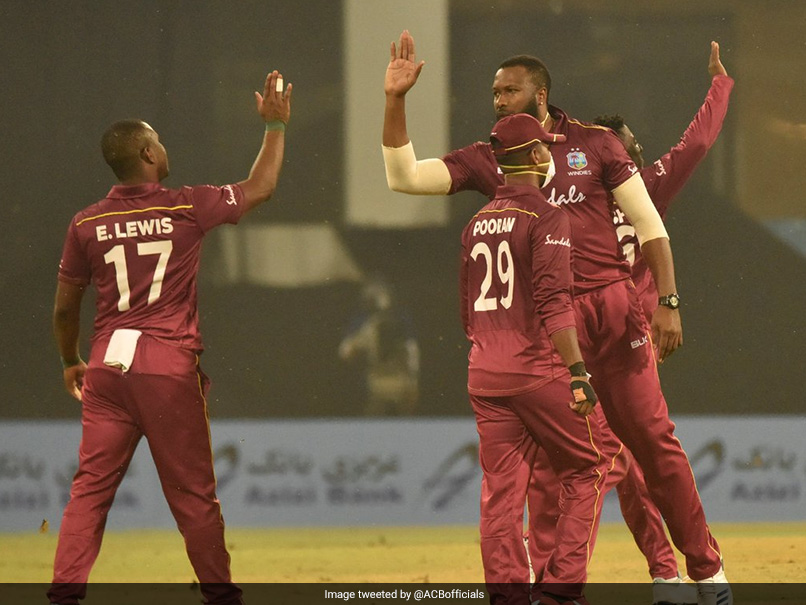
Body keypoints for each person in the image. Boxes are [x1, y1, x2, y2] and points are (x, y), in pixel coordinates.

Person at [382, 30, 731, 605]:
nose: (499, 100)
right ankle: (556, 587)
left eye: (510, 91)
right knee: (554, 469)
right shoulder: (493, 155)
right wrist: (394, 102)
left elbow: (649, 223)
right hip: (548, 324)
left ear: (541, 94)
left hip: (611, 312)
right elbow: (404, 178)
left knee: (653, 445)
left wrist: (668, 301)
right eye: (495, 92)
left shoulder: (595, 143)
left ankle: (708, 572)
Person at [48, 70, 292, 605]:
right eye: (157, 140)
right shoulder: (185, 206)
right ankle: (221, 597)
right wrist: (274, 127)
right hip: (165, 365)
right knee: (194, 498)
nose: (164, 146)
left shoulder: (86, 223)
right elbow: (261, 187)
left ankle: (63, 596)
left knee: (89, 493)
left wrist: (70, 360)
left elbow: (65, 307)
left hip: (107, 366)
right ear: (147, 153)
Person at [523, 41, 735, 603]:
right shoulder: (630, 183)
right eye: (627, 147)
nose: (635, 154)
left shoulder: (624, 186)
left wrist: (720, 86)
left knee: (624, 461)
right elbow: (696, 143)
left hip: (623, 335)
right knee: (624, 463)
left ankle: (671, 572)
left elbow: (695, 143)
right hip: (605, 333)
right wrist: (720, 88)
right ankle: (666, 573)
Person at [461, 112, 606, 605]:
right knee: (589, 467)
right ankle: (560, 591)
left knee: (500, 495)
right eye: (545, 146)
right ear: (534, 155)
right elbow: (554, 301)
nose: (550, 153)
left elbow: (466, 311)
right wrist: (578, 372)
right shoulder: (547, 216)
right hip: (535, 369)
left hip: (485, 373)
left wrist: (490, 351)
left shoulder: (475, 223)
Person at [338, 277, 420, 415]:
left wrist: (413, 380)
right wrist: (356, 348)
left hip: (399, 377)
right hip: (374, 378)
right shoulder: (364, 322)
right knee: (375, 411)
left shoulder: (400, 319)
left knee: (404, 413)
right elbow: (345, 351)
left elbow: (412, 349)